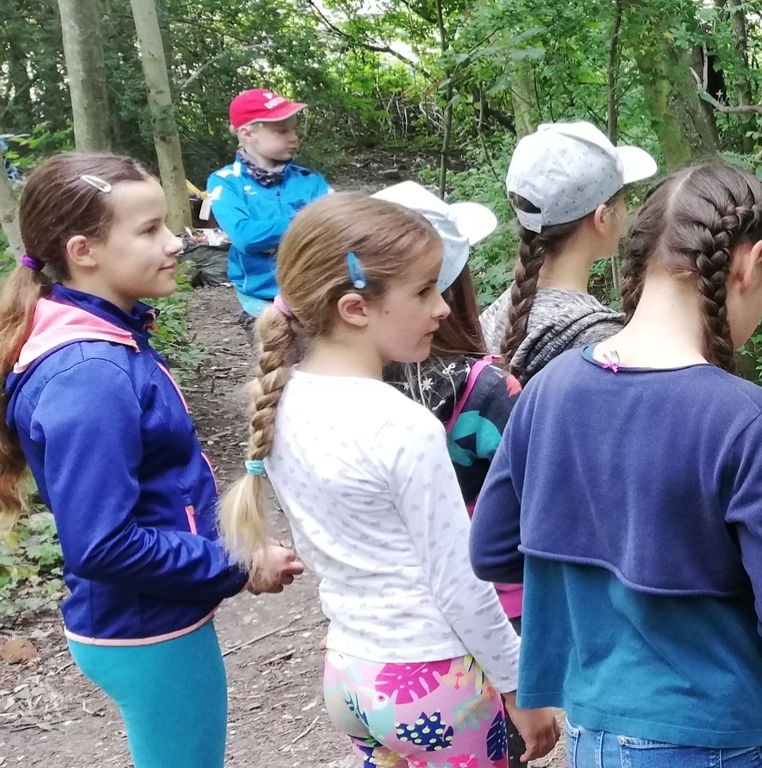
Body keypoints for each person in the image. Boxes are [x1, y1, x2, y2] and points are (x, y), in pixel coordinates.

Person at [471, 162, 762, 767]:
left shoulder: (546, 390)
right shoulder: (745, 419)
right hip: (719, 737)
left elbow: (491, 551)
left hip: (594, 736)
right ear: (750, 264)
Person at [221, 194, 559, 767]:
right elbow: (459, 581)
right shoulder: (401, 425)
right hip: (434, 682)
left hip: (352, 673)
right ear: (356, 309)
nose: (442, 309)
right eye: (424, 291)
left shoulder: (279, 402)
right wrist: (518, 685)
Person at [0, 153, 303, 768]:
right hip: (143, 627)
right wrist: (235, 562)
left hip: (147, 615)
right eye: (148, 230)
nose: (175, 243)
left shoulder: (106, 338)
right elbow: (104, 544)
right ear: (83, 250)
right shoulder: (91, 373)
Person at [373, 182, 530, 768]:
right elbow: (529, 506)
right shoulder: (488, 392)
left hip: (382, 645)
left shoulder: (335, 392)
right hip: (491, 615)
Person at [480, 121, 657, 381]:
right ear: (602, 218)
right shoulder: (603, 344)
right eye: (622, 200)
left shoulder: (493, 317)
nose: (627, 210)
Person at [204, 88, 333, 334]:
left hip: (315, 296)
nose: (293, 137)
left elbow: (338, 225)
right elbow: (244, 236)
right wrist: (308, 221)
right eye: (282, 130)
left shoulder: (310, 180)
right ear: (247, 133)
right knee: (279, 370)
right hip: (260, 302)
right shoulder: (225, 182)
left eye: (293, 129)